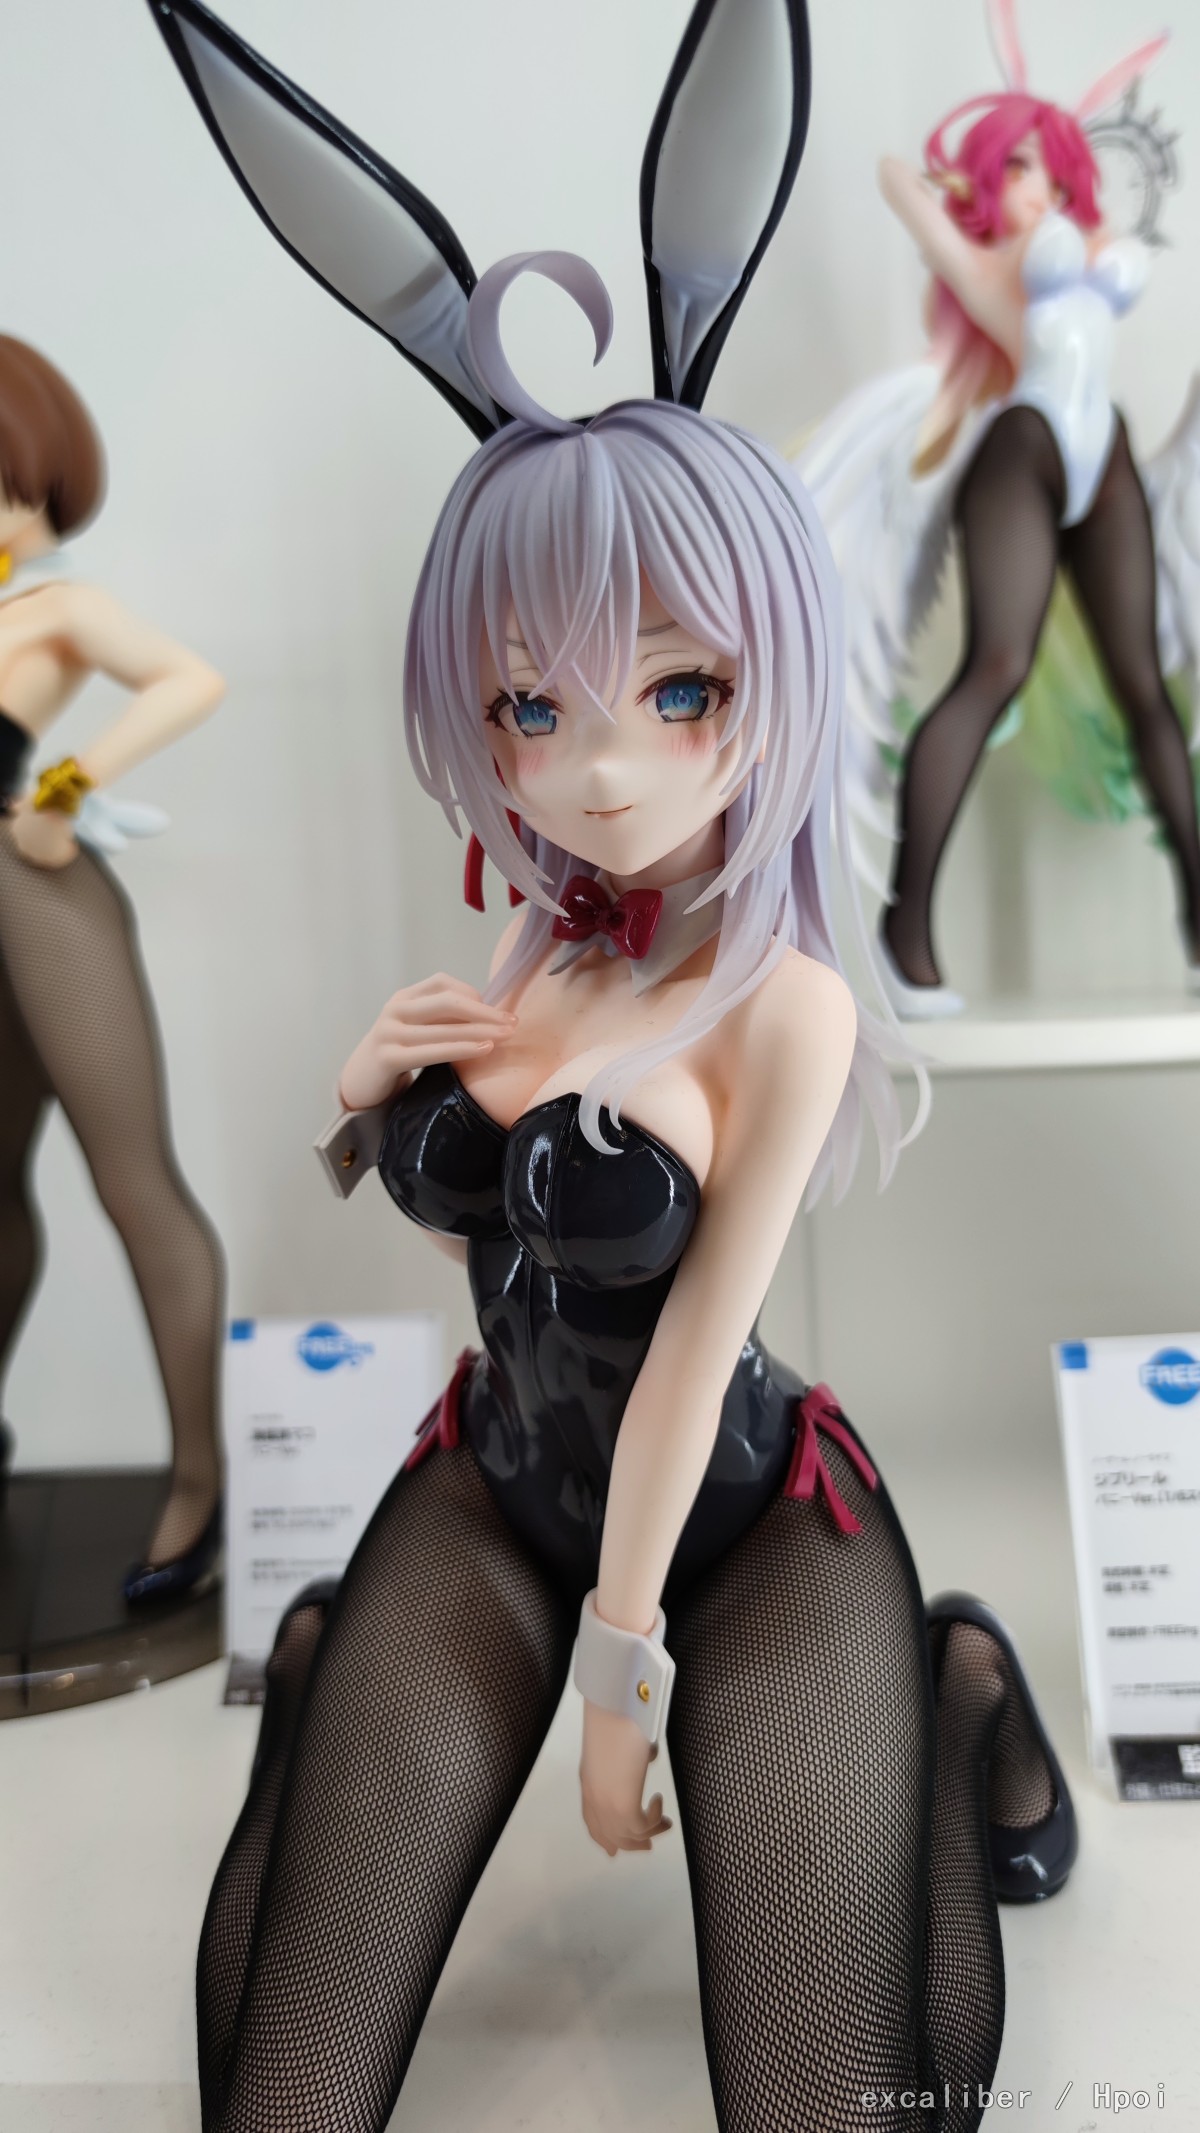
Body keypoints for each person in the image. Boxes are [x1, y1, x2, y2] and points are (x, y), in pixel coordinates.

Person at [148, 4, 1077, 2127]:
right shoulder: (540, 930)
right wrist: (358, 1098)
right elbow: (469, 1215)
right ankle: (334, 1664)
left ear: (770, 666)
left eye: (677, 688)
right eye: (528, 705)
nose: (596, 766)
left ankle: (951, 1677)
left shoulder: (786, 1003)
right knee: (275, 2091)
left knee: (854, 2097)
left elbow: (685, 1360)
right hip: (492, 1477)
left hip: (744, 1522)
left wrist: (621, 1665)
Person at [796, 2, 1200, 1015]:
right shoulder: (985, 268)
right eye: (1020, 168)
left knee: (1144, 689)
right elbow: (893, 176)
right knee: (996, 665)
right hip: (1022, 451)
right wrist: (958, 178)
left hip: (1104, 450)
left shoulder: (1091, 254)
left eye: (1054, 174)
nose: (1042, 190)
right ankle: (904, 935)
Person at [0, 330, 226, 1600]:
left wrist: (65, 789)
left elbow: (191, 680)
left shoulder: (57, 609)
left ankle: (198, 1484)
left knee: (135, 1187)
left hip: (33, 895)